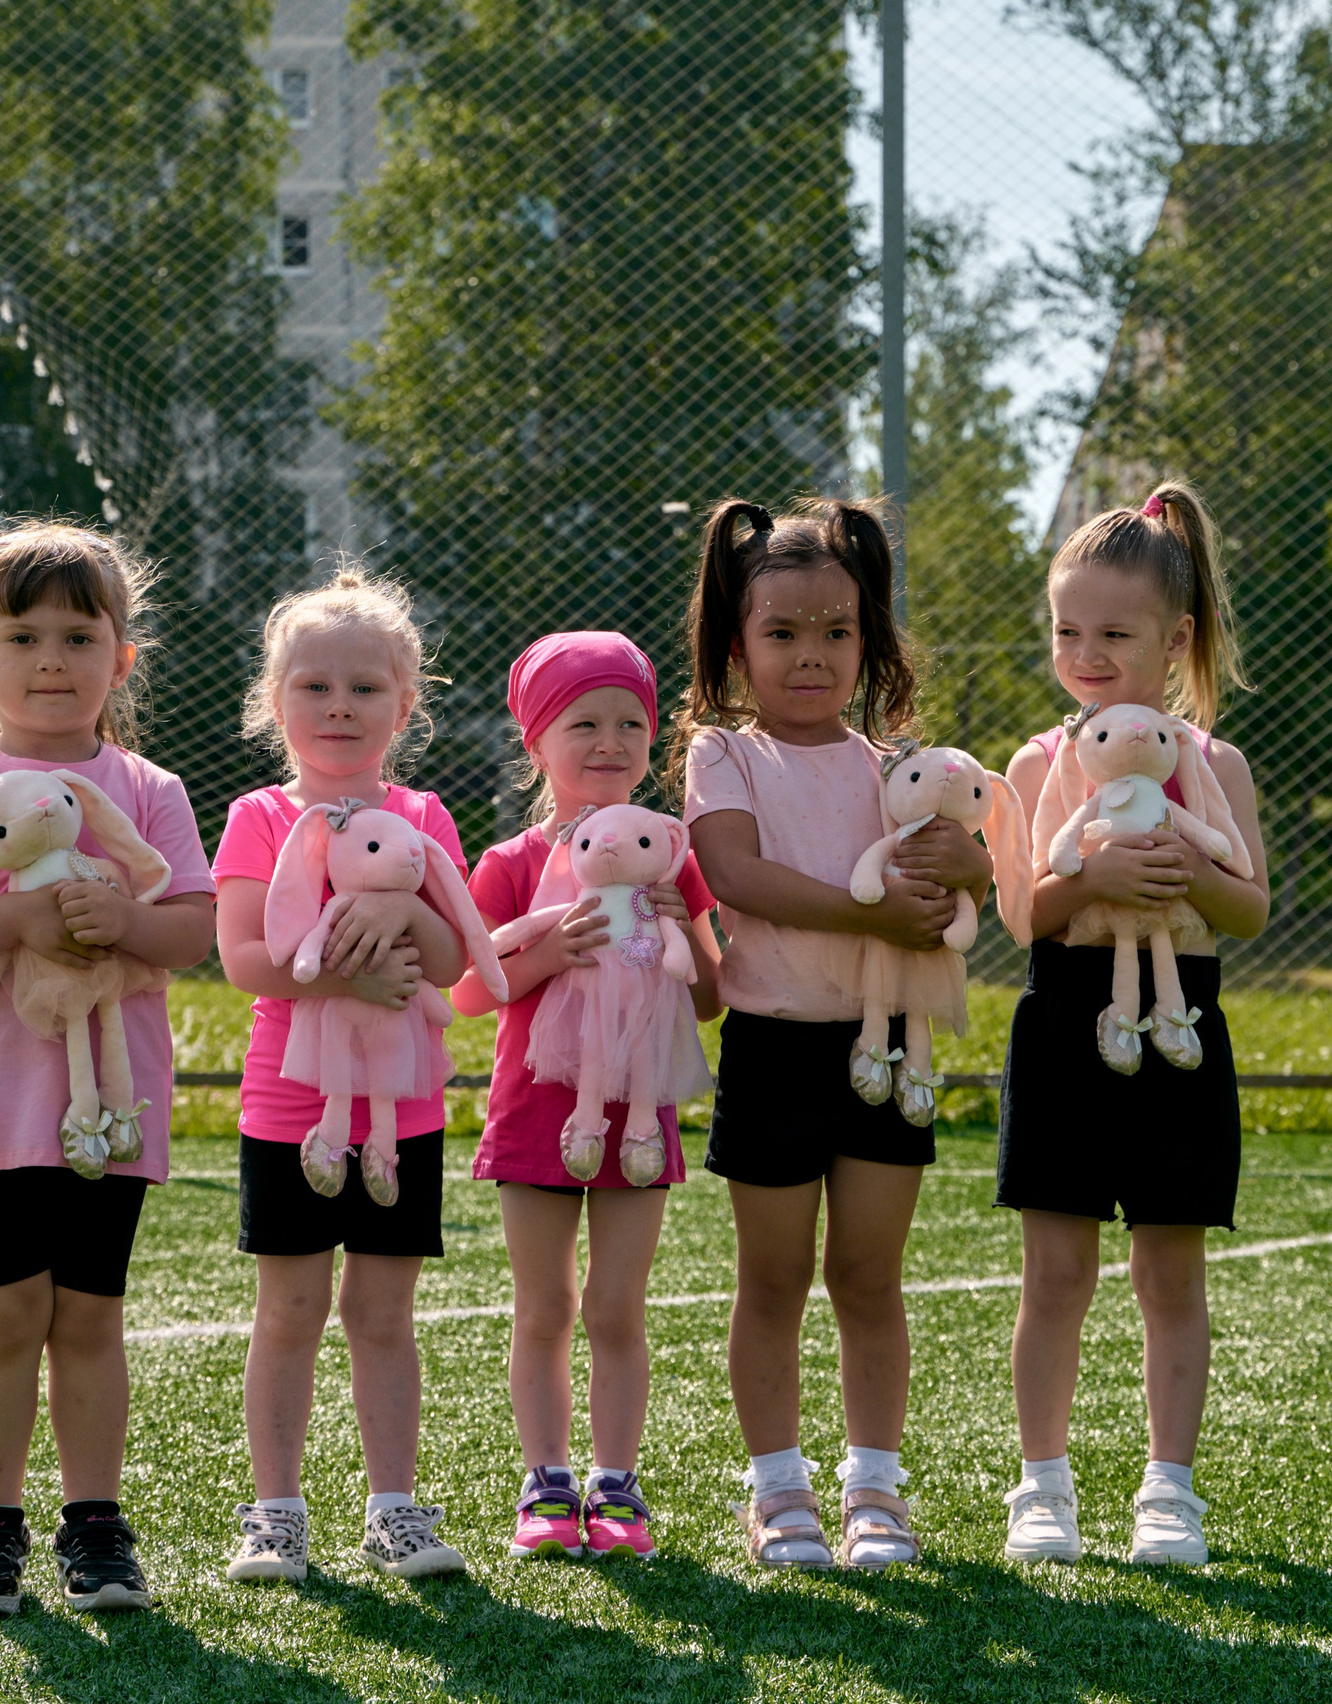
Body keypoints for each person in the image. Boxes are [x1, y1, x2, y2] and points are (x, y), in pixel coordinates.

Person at [0, 522, 214, 1617]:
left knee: (87, 1316)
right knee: (3, 1315)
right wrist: (21, 916)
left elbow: (191, 933)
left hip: (107, 1111)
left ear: (122, 657)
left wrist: (121, 918)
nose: (52, 659)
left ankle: (96, 1526)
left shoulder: (149, 787)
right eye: (22, 635)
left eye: (80, 634)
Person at [678, 497, 992, 1569]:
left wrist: (972, 869)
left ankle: (874, 1490)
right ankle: (777, 1491)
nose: (810, 656)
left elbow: (963, 887)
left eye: (836, 633)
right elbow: (734, 877)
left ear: (870, 643)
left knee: (867, 1276)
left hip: (887, 1044)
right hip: (771, 1045)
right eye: (781, 634)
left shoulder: (901, 771)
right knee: (771, 1279)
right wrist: (865, 911)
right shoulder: (724, 755)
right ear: (737, 645)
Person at [995, 482, 1269, 1566]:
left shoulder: (1214, 766)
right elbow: (1020, 914)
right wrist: (1093, 868)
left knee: (1169, 1272)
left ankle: (1169, 1492)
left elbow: (1247, 908)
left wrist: (1190, 870)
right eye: (1068, 630)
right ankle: (1042, 1486)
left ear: (1176, 639)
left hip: (1180, 1030)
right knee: (1054, 1272)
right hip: (1067, 1021)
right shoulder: (1034, 764)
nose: (1087, 651)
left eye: (1114, 632)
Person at [210, 567, 470, 1583]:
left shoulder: (425, 814)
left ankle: (394, 1510)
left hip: (401, 1111)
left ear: (403, 706)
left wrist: (405, 918)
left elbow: (451, 959)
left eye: (364, 688)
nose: (338, 706)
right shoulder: (259, 817)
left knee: (383, 1313)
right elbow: (243, 960)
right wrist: (348, 975)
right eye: (313, 686)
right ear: (275, 704)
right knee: (289, 1310)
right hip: (290, 1110)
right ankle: (275, 1514)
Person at [452, 631, 724, 1561]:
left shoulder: (668, 854)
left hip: (640, 1115)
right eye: (584, 723)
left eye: (631, 724)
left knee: (616, 1308)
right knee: (544, 1307)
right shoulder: (512, 862)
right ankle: (546, 1483)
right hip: (535, 1109)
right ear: (536, 741)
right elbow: (468, 991)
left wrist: (684, 926)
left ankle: (617, 1483)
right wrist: (545, 954)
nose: (610, 742)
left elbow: (713, 994)